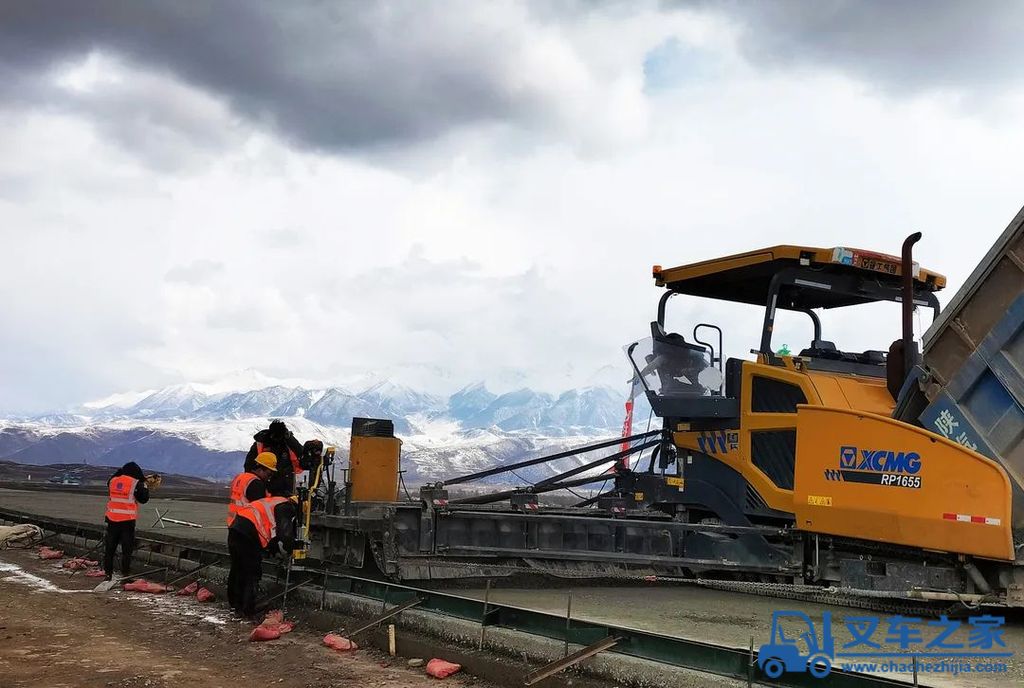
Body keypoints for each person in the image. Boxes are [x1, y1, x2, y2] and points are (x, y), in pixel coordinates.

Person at [227, 494, 298, 618]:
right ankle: (249, 609)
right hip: (248, 533)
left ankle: (236, 604)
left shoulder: (275, 501)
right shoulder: (285, 507)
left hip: (236, 527)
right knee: (252, 571)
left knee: (237, 568)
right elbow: (285, 534)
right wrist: (289, 550)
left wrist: (273, 547)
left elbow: (271, 528)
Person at [103, 461, 150, 581]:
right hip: (127, 522)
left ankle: (108, 574)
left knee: (109, 550)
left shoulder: (112, 481)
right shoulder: (136, 483)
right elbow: (144, 499)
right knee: (126, 550)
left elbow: (112, 479)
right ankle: (126, 575)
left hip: (112, 519)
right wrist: (145, 485)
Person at [244, 420, 305, 496]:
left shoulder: (288, 442)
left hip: (285, 485)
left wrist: (290, 439)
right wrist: (252, 482)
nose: (276, 439)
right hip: (265, 483)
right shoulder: (261, 443)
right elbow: (249, 465)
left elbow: (302, 454)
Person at [226, 452, 275, 526]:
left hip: (233, 523)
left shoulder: (239, 477)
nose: (269, 477)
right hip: (247, 525)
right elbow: (261, 509)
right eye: (269, 474)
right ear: (260, 469)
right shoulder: (256, 484)